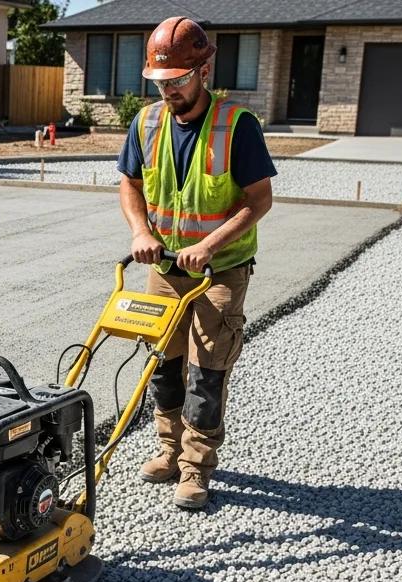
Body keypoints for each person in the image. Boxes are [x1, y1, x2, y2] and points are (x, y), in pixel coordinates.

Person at [116, 16, 276, 510]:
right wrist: (141, 232)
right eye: (160, 83)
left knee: (206, 373)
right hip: (165, 267)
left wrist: (210, 245)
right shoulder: (145, 123)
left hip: (219, 269)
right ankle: (167, 448)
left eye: (177, 80)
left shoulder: (237, 126)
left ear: (204, 69)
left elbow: (259, 199)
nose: (168, 91)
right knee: (164, 364)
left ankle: (195, 467)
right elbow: (131, 185)